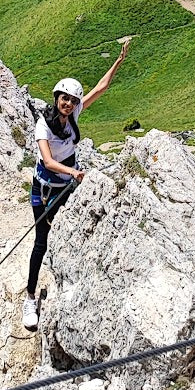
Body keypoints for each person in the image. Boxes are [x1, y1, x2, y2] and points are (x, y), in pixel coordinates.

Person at [23, 37, 132, 330]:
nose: (69, 104)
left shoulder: (73, 116)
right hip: (46, 189)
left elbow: (100, 89)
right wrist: (73, 174)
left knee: (74, 231)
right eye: (65, 99)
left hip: (67, 185)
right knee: (41, 242)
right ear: (57, 97)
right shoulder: (43, 125)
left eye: (73, 100)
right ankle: (30, 297)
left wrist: (118, 62)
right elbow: (46, 161)